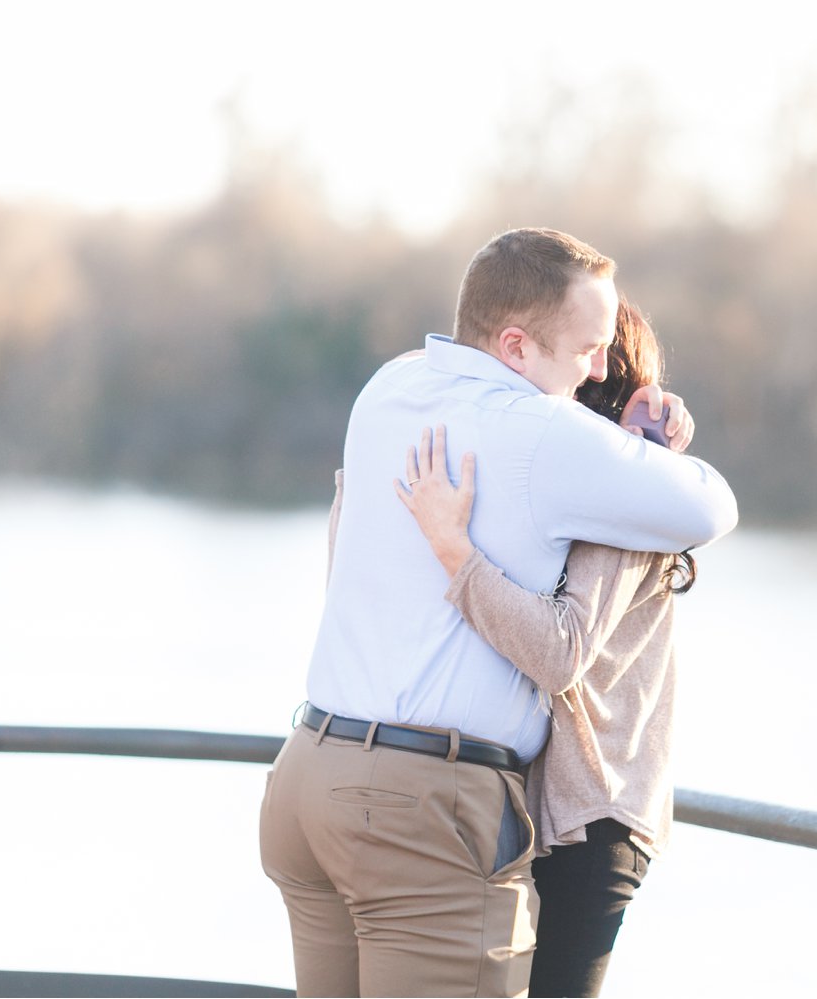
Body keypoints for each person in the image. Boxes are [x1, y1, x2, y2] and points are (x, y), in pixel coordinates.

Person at [258, 227, 737, 998]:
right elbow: (712, 505)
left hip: (309, 775)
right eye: (587, 349)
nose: (597, 370)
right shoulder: (545, 431)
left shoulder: (387, 391)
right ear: (516, 345)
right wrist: (661, 440)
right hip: (416, 806)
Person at [397, 297, 693, 997]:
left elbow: (561, 650)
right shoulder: (535, 484)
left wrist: (455, 554)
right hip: (514, 804)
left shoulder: (629, 495)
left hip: (591, 815)